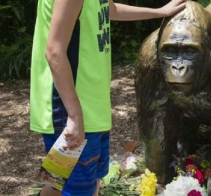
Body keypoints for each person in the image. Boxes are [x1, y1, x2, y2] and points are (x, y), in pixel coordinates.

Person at [29, 0, 186, 195]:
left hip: (92, 107)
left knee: (61, 184)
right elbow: (54, 51)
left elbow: (109, 9)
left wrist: (159, 12)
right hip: (71, 111)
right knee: (80, 189)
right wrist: (75, 115)